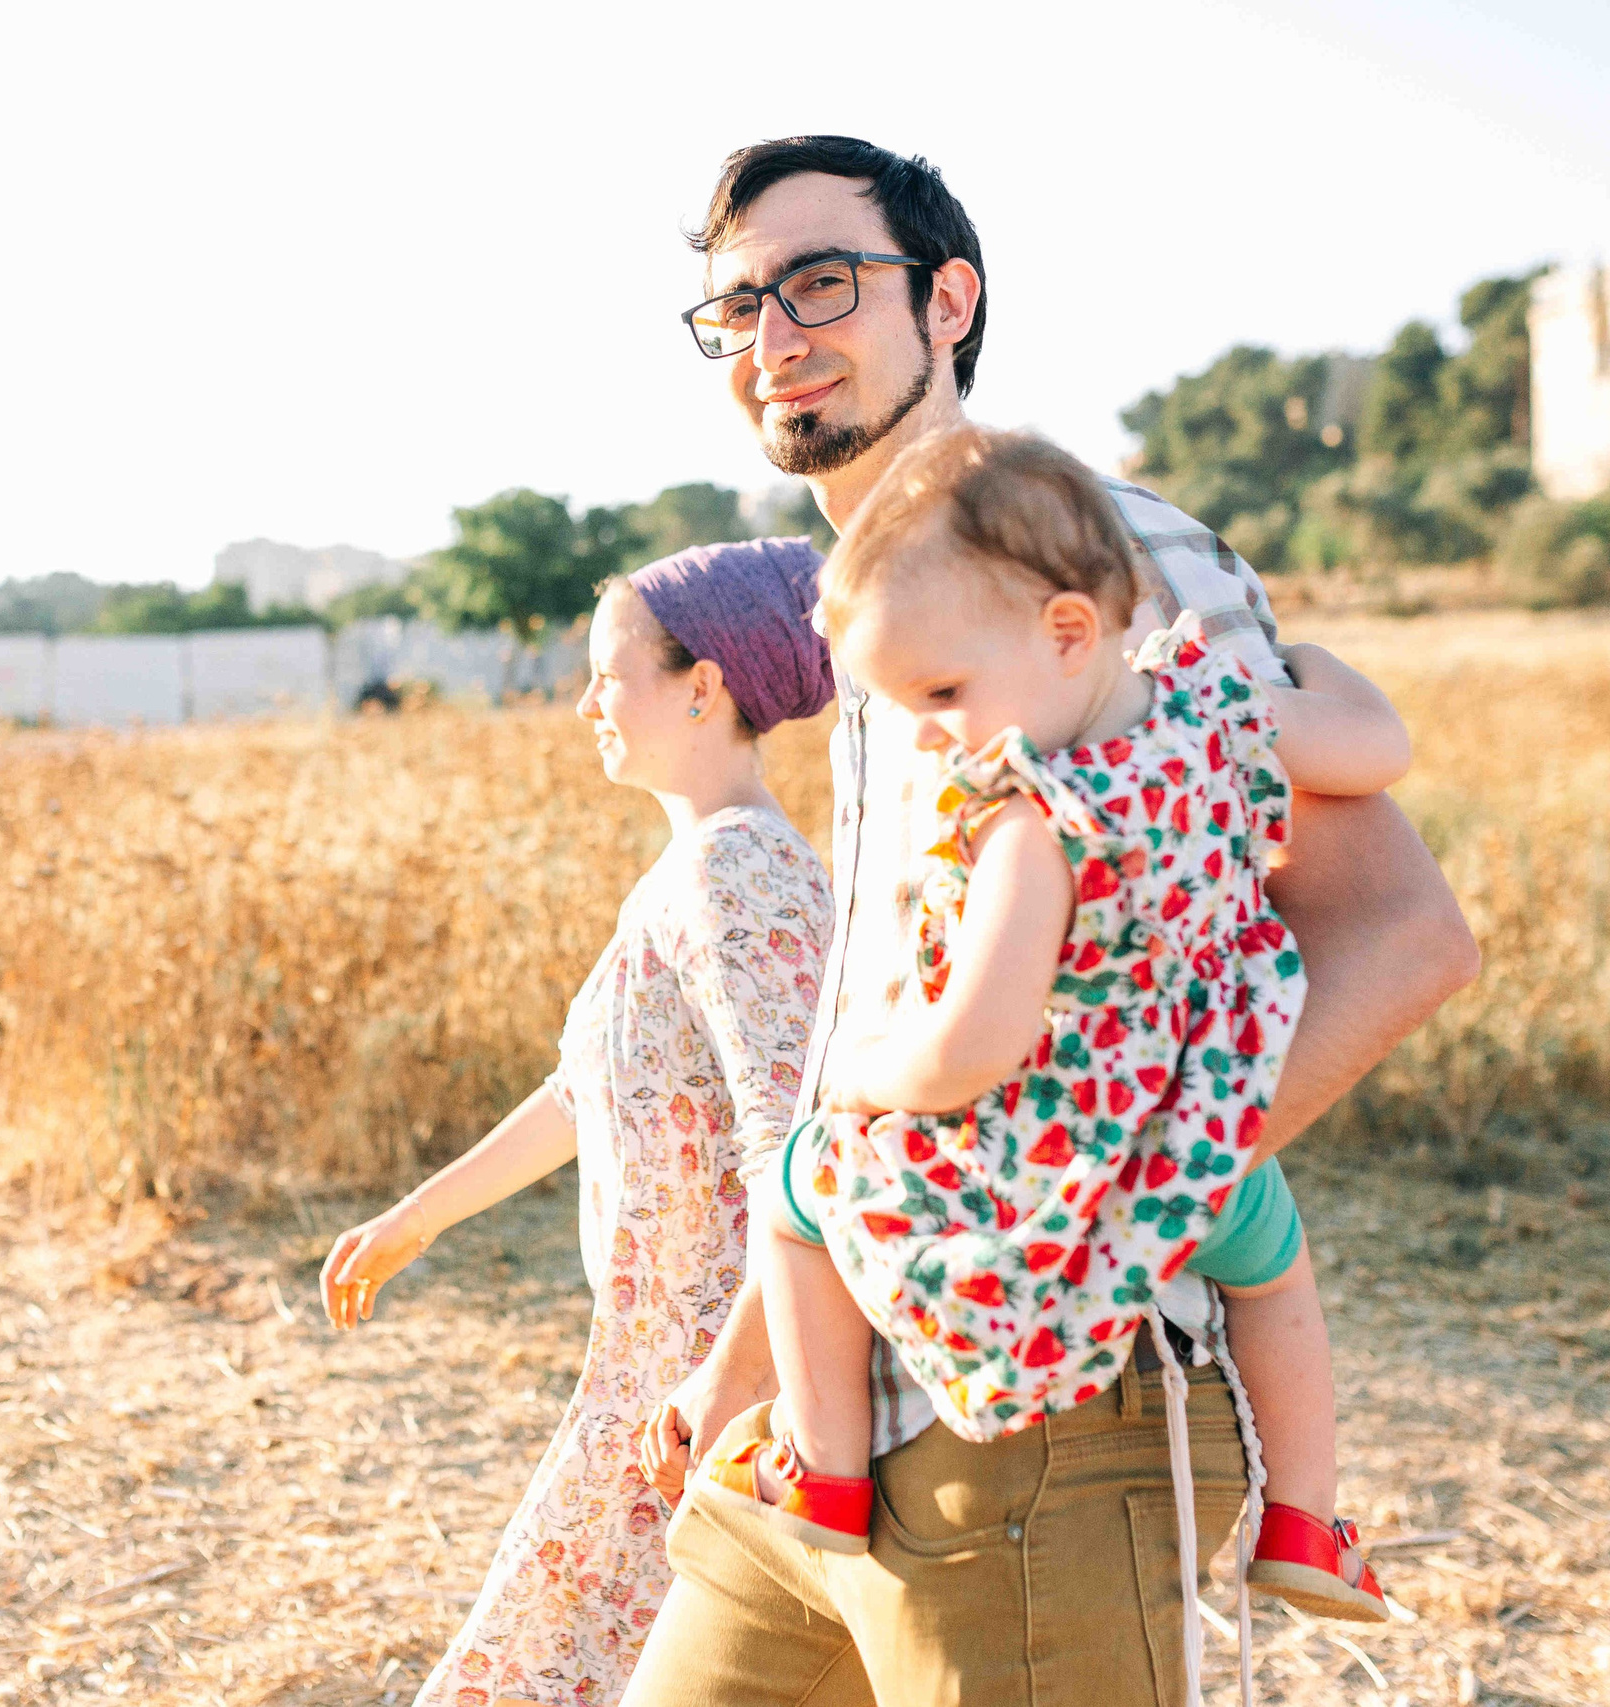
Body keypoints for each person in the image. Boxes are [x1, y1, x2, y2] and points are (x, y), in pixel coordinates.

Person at [626, 137, 1477, 1707]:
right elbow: (886, 1029)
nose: (775, 335)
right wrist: (750, 1353)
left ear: (949, 298)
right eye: (737, 306)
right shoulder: (890, 615)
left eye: (823, 280)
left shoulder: (1084, 557)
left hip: (1037, 1425)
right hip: (827, 1431)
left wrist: (1073, 1223)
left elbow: (1404, 934)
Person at [719, 427, 1400, 1628]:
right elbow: (1375, 748)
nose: (929, 735)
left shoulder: (1037, 818)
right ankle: (1306, 1517)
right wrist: (1325, 669)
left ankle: (823, 1479)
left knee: (794, 1193)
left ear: (1069, 632)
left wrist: (871, 1076)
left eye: (939, 695)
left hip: (1043, 1157)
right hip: (1204, 1126)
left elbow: (978, 1044)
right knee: (1278, 1278)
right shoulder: (1218, 710)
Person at [319, 538, 838, 1707]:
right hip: (661, 1374)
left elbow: (795, 1147)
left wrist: (734, 1374)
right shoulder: (698, 868)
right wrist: (414, 1221)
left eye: (609, 675)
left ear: (701, 687)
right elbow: (578, 1093)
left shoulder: (737, 873)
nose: (584, 703)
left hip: (708, 1392)